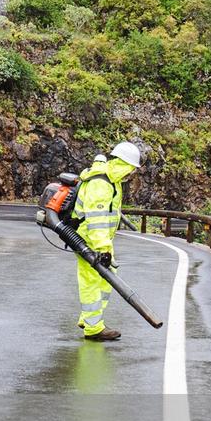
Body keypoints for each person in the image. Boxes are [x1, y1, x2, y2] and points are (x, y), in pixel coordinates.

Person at [72, 141, 142, 341]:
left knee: (107, 277)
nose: (132, 174)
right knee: (91, 280)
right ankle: (93, 328)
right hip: (88, 240)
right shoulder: (100, 184)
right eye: (131, 169)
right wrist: (103, 249)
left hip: (97, 240)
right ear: (124, 164)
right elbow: (97, 220)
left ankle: (89, 319)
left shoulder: (113, 181)